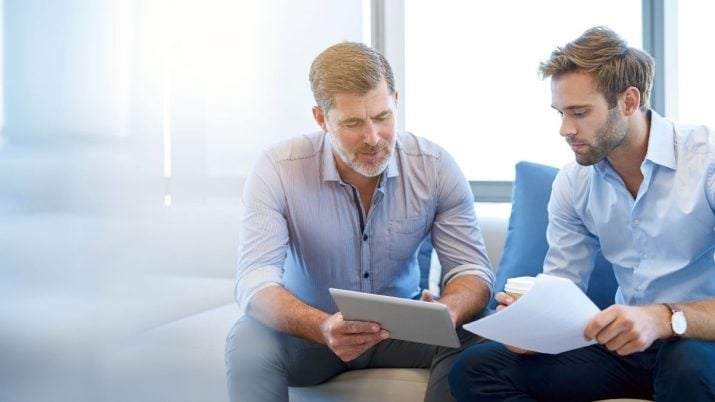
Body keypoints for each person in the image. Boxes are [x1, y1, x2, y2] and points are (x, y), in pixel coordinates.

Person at [449, 26, 715, 402]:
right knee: (475, 370)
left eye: (579, 112)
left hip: (699, 341)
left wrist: (663, 318)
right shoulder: (574, 182)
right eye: (560, 113)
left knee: (686, 365)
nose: (565, 129)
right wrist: (535, 327)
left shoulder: (706, 163)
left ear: (628, 101)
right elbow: (563, 287)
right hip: (626, 348)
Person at [225, 41, 494, 402]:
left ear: (395, 100)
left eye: (382, 117)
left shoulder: (435, 166)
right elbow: (255, 280)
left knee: (479, 330)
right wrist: (321, 326)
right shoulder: (278, 169)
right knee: (247, 340)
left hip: (404, 333)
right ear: (321, 119)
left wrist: (449, 309)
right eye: (352, 123)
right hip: (311, 334)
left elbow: (472, 269)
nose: (372, 138)